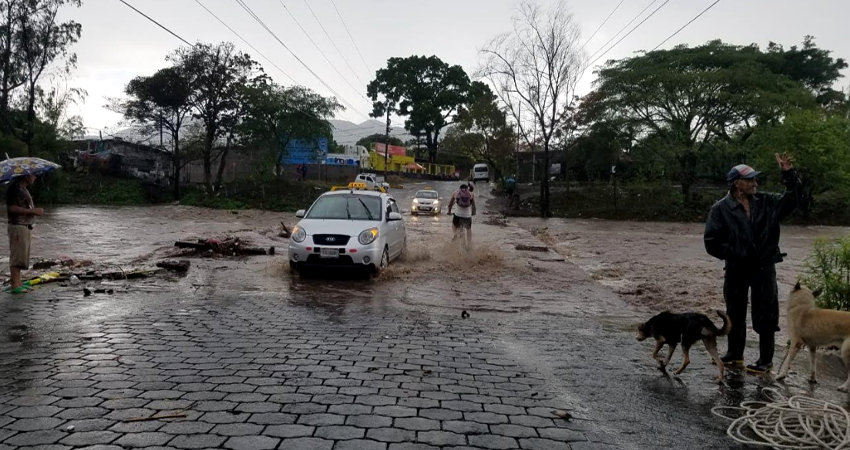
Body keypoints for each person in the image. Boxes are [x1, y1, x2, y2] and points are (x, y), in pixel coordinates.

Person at [704, 153, 802, 375]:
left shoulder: (768, 202)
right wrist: (740, 253)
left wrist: (789, 175)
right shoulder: (720, 209)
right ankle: (734, 354)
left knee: (766, 314)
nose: (755, 183)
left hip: (764, 268)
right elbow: (712, 242)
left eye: (755, 180)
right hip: (737, 268)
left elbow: (793, 199)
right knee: (734, 312)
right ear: (737, 184)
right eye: (750, 180)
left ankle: (765, 360)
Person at [6, 174, 44, 293]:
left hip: (25, 226)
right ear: (26, 175)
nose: (35, 177)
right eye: (33, 175)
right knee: (17, 256)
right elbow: (11, 208)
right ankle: (15, 286)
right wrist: (32, 211)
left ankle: (17, 282)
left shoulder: (23, 188)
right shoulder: (15, 188)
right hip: (18, 225)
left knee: (21, 256)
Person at [448, 183, 476, 248]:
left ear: (460, 188)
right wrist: (473, 213)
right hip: (467, 216)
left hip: (457, 215)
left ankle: (455, 234)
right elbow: (474, 206)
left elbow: (450, 204)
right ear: (467, 188)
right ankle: (469, 244)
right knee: (468, 229)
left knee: (454, 225)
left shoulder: (456, 193)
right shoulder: (471, 194)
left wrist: (449, 211)